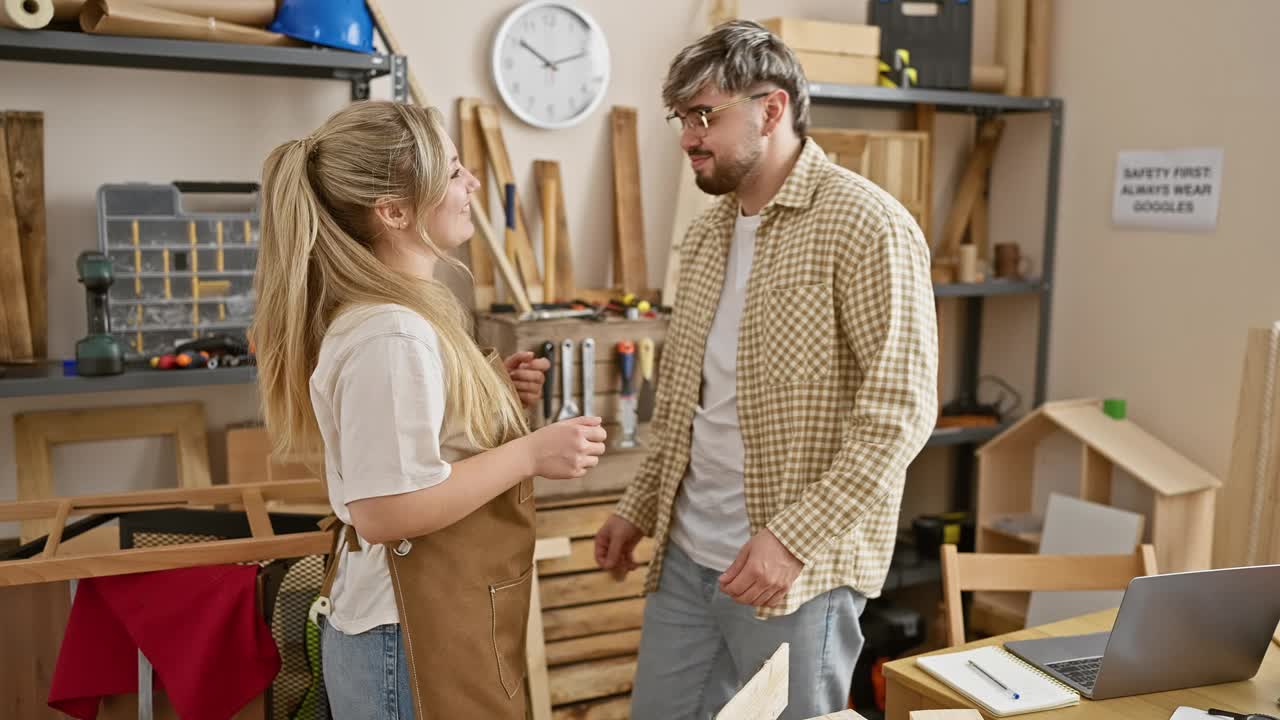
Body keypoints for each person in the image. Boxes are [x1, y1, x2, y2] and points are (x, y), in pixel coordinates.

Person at [593, 21, 938, 719]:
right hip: (688, 562)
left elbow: (901, 412)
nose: (687, 136)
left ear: (771, 109)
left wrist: (792, 538)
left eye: (703, 115)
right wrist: (637, 508)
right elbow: (689, 399)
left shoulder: (867, 225)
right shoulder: (706, 235)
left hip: (800, 574)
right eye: (680, 118)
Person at [252, 100, 607, 720]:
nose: (471, 182)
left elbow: (413, 443)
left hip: (429, 620)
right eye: (451, 172)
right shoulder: (390, 333)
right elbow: (386, 510)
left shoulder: (406, 318)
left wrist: (485, 396)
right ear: (394, 211)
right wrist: (530, 451)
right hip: (405, 636)